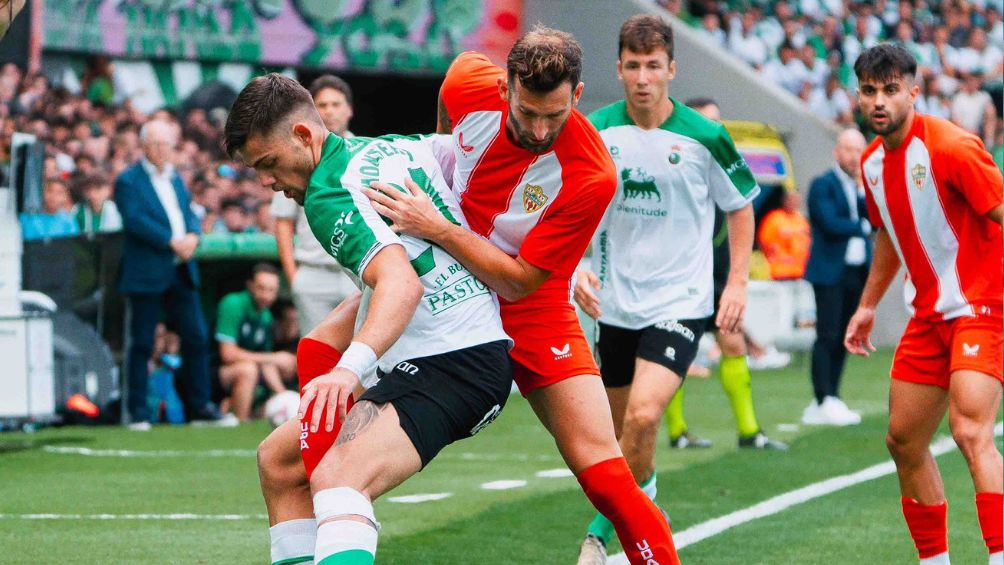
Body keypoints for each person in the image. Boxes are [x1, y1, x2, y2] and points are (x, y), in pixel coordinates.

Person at [365, 26, 679, 565]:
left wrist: (437, 224)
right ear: (506, 85)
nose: (537, 129)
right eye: (526, 112)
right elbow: (451, 87)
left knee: (604, 471)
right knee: (326, 370)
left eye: (552, 116)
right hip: (445, 288)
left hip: (532, 309)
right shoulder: (469, 82)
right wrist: (441, 164)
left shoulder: (593, 175)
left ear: (577, 96)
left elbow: (519, 281)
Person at [224, 73, 512, 565]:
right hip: (456, 350)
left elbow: (401, 284)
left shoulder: (327, 194)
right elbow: (475, 166)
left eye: (268, 164)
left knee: (338, 479)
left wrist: (347, 368)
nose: (266, 182)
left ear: (303, 136)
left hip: (452, 361)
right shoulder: (395, 147)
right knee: (280, 462)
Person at [564, 18, 772, 561]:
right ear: (619, 69)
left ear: (671, 69)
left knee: (644, 417)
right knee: (619, 445)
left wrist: (738, 283)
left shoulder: (704, 136)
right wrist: (573, 268)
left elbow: (741, 204)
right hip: (613, 303)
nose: (642, 77)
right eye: (632, 66)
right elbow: (567, 208)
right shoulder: (595, 131)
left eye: (653, 66)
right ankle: (647, 500)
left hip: (681, 302)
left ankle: (600, 535)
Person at [845, 43, 1003, 565]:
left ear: (914, 90)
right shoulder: (870, 164)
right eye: (870, 91)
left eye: (891, 90)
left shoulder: (953, 147)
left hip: (983, 303)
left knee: (970, 429)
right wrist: (868, 305)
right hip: (929, 314)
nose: (879, 102)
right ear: (858, 96)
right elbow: (890, 235)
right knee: (903, 440)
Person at [659, 97, 790, 453]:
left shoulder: (725, 165)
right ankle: (677, 432)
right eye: (706, 121)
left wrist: (737, 279)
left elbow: (744, 210)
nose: (715, 128)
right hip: (680, 278)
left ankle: (749, 431)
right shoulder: (674, 166)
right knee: (676, 355)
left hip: (716, 279)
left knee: (733, 343)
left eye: (718, 121)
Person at [115, 119, 223, 430]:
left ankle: (200, 406)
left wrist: (192, 236)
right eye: (158, 144)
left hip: (181, 269)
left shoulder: (176, 177)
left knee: (196, 337)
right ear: (145, 145)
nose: (164, 150)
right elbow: (134, 219)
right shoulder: (128, 180)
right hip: (148, 270)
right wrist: (171, 241)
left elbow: (188, 212)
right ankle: (136, 412)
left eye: (168, 144)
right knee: (142, 342)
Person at [272, 74, 358, 334]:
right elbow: (283, 222)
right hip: (312, 274)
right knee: (315, 357)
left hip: (357, 269)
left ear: (349, 109)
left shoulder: (364, 151)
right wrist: (293, 277)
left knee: (365, 361)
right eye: (322, 105)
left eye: (336, 104)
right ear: (312, 112)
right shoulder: (297, 156)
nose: (330, 111)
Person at [802, 128, 870, 426]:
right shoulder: (823, 184)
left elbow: (876, 216)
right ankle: (821, 397)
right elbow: (830, 223)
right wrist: (863, 227)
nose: (855, 157)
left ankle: (834, 395)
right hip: (829, 272)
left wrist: (862, 192)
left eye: (859, 151)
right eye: (850, 150)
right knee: (827, 333)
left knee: (846, 335)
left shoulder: (862, 186)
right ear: (837, 152)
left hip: (856, 271)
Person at [215, 263, 296, 422]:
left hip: (247, 373)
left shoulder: (266, 317)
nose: (266, 295)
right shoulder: (233, 303)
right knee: (248, 369)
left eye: (271, 290)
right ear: (250, 286)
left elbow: (265, 361)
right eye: (261, 288)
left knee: (277, 367)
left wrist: (283, 394)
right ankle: (241, 422)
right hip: (215, 372)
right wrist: (275, 357)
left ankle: (276, 406)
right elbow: (227, 354)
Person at [758, 190, 811, 281]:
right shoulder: (774, 218)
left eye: (796, 200)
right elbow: (764, 242)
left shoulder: (801, 219)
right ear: (784, 200)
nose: (793, 202)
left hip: (799, 271)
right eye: (791, 199)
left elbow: (807, 242)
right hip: (779, 271)